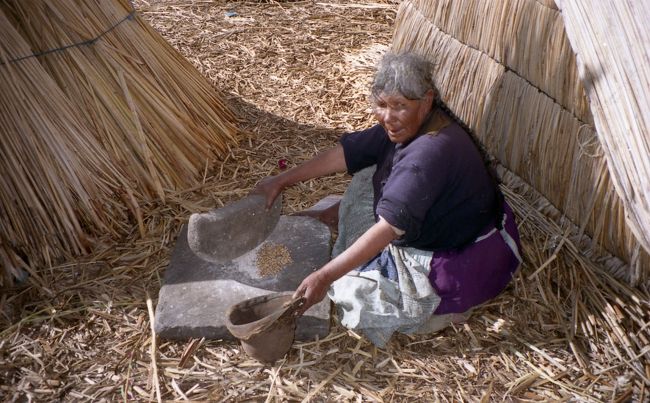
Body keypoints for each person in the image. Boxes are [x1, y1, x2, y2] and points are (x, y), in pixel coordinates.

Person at [254, 52, 522, 347]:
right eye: (381, 105)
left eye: (400, 106)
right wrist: (280, 180)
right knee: (367, 172)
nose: (388, 117)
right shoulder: (411, 126)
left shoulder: (428, 154)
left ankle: (439, 312)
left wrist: (324, 276)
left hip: (459, 260)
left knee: (349, 296)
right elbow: (345, 155)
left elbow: (388, 230)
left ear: (427, 100)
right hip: (445, 218)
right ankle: (336, 214)